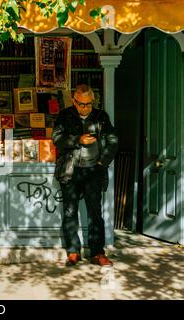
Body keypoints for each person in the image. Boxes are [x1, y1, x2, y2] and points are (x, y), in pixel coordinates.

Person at [52, 84, 118, 267]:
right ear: (74, 101)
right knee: (70, 212)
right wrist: (77, 140)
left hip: (93, 171)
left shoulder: (101, 117)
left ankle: (97, 252)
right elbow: (57, 139)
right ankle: (73, 252)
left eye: (89, 104)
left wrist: (101, 163)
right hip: (71, 170)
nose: (85, 108)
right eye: (81, 104)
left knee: (95, 213)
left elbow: (113, 141)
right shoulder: (65, 116)